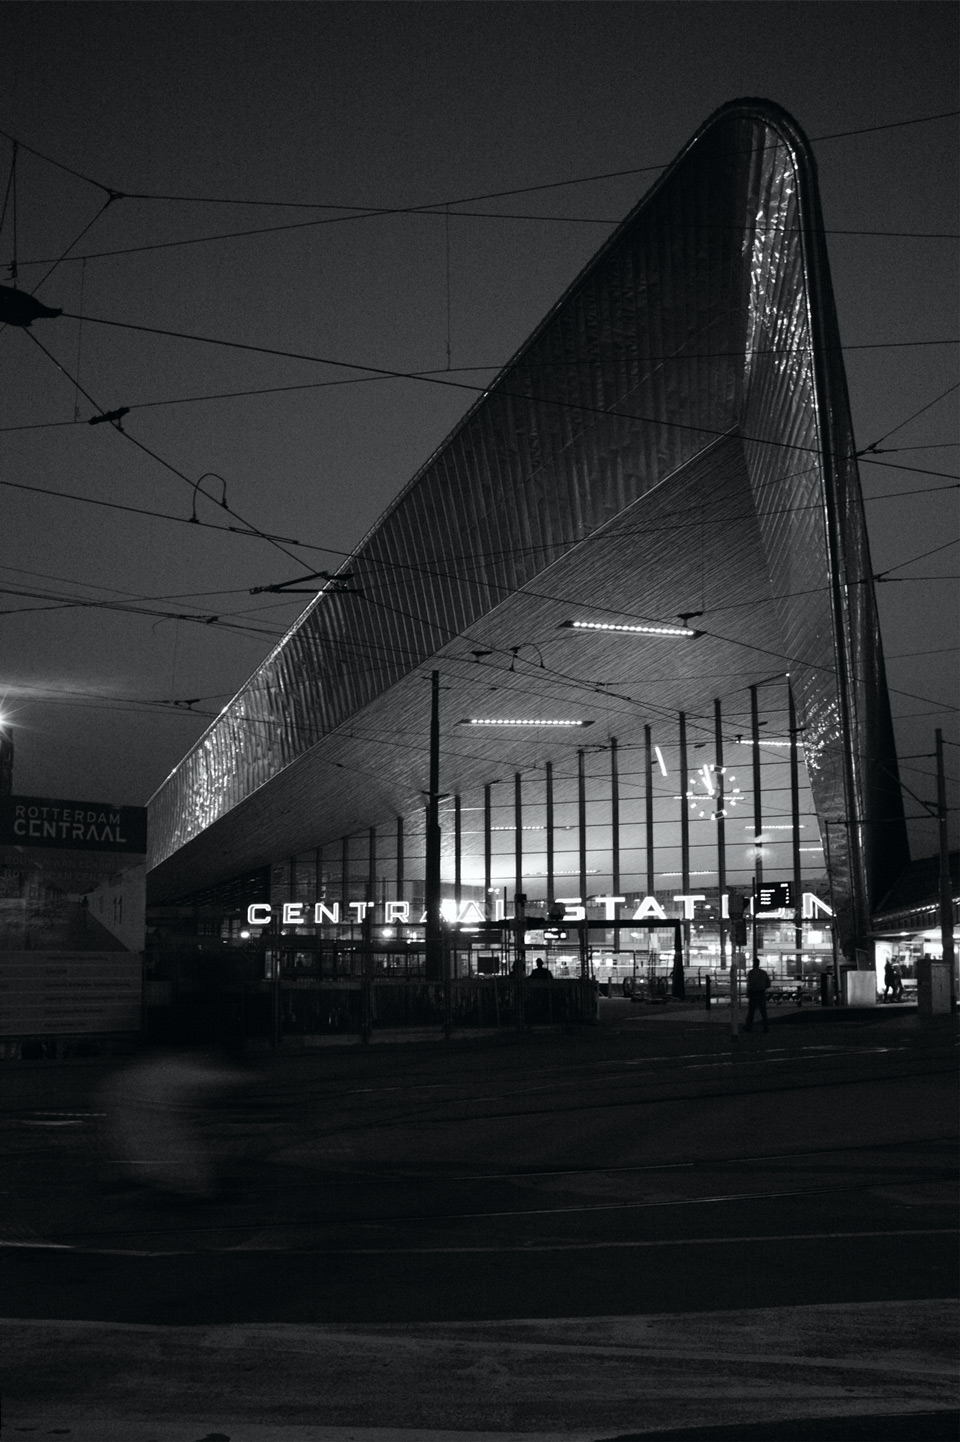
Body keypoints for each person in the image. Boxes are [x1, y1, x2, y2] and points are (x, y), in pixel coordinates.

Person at [744, 959, 771, 1033]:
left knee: (751, 1011)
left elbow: (750, 984)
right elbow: (768, 984)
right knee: (763, 1011)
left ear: (753, 964)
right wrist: (762, 986)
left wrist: (748, 993)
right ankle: (765, 1027)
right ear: (759, 964)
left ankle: (748, 1026)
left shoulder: (751, 973)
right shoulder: (763, 973)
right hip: (761, 993)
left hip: (753, 994)